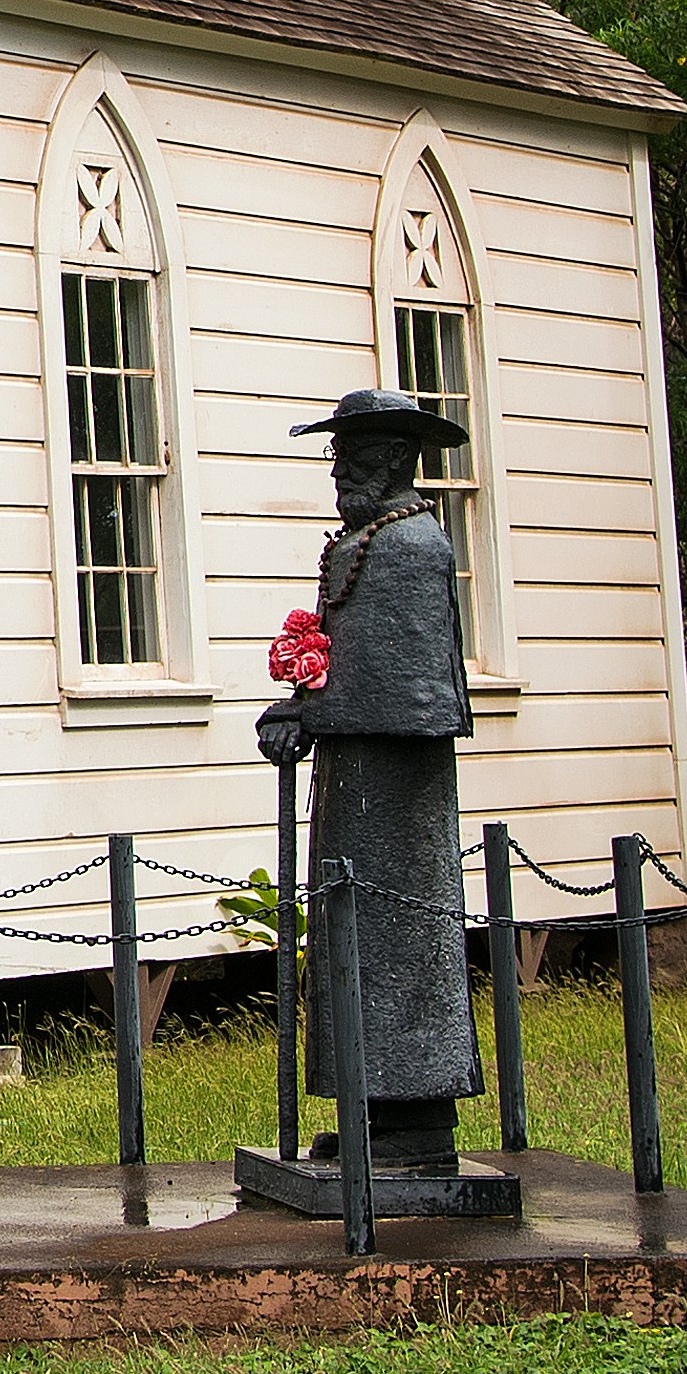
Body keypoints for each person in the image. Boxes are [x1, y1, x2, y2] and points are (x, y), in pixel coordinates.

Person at [259, 385, 485, 1169]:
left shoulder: (415, 548)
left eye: (350, 458)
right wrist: (303, 700)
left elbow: (416, 685)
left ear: (390, 460)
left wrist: (312, 715)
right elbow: (355, 662)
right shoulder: (364, 543)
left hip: (399, 794)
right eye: (336, 457)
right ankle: (375, 1113)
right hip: (358, 784)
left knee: (399, 947)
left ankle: (418, 1124)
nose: (337, 474)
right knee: (357, 945)